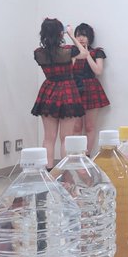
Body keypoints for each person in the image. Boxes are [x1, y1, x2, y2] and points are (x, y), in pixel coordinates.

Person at [31, 18, 86, 169]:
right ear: (60, 34)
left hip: (48, 91)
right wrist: (71, 35)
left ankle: (48, 172)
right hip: (68, 91)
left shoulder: (38, 53)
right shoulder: (68, 51)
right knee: (66, 138)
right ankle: (64, 173)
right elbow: (84, 53)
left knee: (48, 138)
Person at [72, 23, 110, 155]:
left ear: (90, 37)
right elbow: (68, 71)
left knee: (90, 126)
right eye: (78, 35)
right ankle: (76, 155)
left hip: (91, 89)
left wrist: (87, 54)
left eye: (84, 35)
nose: (81, 38)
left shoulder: (97, 52)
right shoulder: (71, 52)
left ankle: (87, 156)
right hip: (75, 88)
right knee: (76, 127)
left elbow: (98, 71)